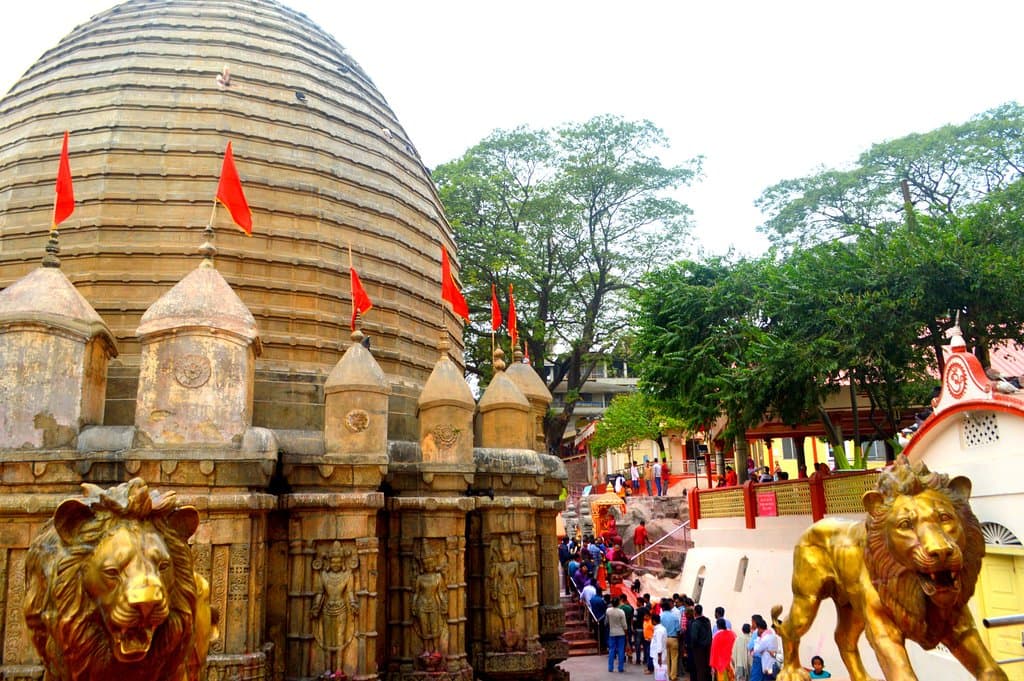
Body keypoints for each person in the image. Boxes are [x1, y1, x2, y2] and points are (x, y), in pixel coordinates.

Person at [689, 604, 713, 681]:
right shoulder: (707, 621)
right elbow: (710, 633)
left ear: (695, 612)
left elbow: (694, 637)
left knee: (700, 668)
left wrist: (693, 647)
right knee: (707, 666)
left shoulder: (695, 623)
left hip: (699, 648)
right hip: (708, 646)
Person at [750, 615, 778, 681]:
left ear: (759, 628)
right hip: (773, 665)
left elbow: (756, 649)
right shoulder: (772, 636)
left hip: (767, 667)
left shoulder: (764, 638)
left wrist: (758, 637)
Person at [659, 598, 680, 681]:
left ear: (663, 608)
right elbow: (678, 630)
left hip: (664, 639)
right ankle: (673, 676)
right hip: (673, 638)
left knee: (666, 658)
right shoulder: (674, 617)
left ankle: (667, 674)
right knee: (674, 658)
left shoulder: (661, 616)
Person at [607, 595, 628, 673]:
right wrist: (626, 633)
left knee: (611, 650)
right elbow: (624, 624)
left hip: (612, 632)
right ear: (618, 603)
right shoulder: (621, 612)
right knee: (621, 650)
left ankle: (610, 667)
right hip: (621, 633)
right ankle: (620, 667)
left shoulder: (608, 611)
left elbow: (607, 621)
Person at [649, 614, 668, 679]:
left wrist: (659, 657)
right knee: (663, 673)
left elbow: (659, 643)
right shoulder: (662, 629)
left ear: (654, 621)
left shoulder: (659, 631)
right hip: (661, 653)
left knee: (659, 673)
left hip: (658, 655)